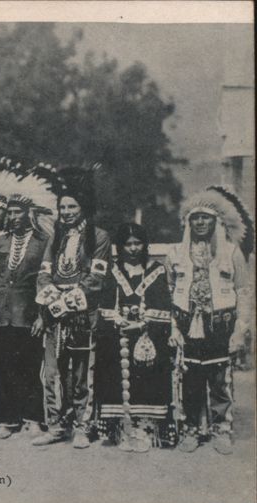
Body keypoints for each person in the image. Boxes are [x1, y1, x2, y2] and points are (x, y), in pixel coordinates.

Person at [166, 186, 253, 454]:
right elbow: (170, 293)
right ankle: (191, 428)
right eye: (196, 218)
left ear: (216, 221)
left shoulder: (232, 253)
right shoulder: (176, 254)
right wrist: (173, 328)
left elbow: (243, 293)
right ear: (188, 222)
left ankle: (221, 429)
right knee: (189, 377)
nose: (201, 222)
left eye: (206, 218)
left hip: (220, 325)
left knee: (220, 379)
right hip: (186, 324)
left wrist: (240, 331)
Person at [34, 166, 111, 449]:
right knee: (52, 372)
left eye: (71, 206)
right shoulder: (56, 236)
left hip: (82, 315)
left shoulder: (99, 237)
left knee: (81, 375)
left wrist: (65, 304)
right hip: (55, 315)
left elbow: (96, 280)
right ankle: (55, 425)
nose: (66, 211)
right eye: (62, 206)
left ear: (83, 207)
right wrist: (52, 300)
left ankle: (82, 426)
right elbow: (43, 273)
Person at [0, 166, 56, 439]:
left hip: (28, 315)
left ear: (29, 214)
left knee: (28, 366)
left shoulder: (42, 241)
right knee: (2, 368)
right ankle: (5, 420)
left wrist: (42, 315)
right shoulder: (1, 241)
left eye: (17, 213)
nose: (13, 217)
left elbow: (45, 281)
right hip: (1, 314)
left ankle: (33, 418)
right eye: (10, 213)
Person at [95, 223, 175, 452]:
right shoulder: (113, 270)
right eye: (127, 244)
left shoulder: (156, 270)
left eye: (137, 243)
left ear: (144, 244)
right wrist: (115, 317)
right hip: (117, 337)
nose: (132, 248)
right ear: (120, 246)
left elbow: (163, 304)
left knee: (148, 380)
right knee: (116, 379)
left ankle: (146, 430)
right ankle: (123, 430)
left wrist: (144, 320)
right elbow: (105, 303)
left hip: (147, 337)